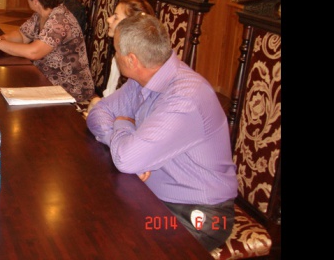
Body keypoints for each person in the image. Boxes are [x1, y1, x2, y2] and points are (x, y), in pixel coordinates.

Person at [86, 14, 237, 251]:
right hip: (151, 195)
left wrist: (123, 124)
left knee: (123, 246)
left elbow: (126, 159)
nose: (114, 56)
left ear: (132, 60)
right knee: (93, 223)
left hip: (199, 214)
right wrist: (120, 138)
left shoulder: (185, 97)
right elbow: (98, 112)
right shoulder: (142, 79)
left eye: (116, 51)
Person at [0, 0, 94, 102]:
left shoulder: (59, 20)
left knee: (7, 91)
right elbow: (22, 35)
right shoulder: (41, 14)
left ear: (35, 1)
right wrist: (2, 38)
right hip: (46, 78)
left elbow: (34, 52)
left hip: (69, 87)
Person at [86, 0, 154, 114]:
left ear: (131, 25)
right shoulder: (118, 55)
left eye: (116, 17)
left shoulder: (138, 62)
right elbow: (110, 95)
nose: (108, 20)